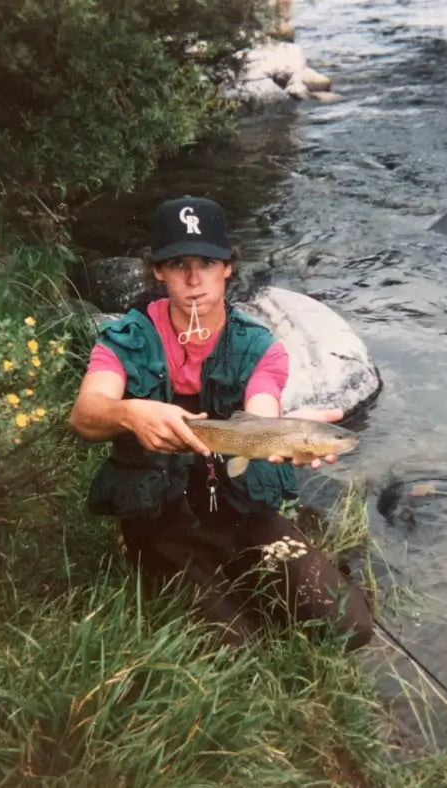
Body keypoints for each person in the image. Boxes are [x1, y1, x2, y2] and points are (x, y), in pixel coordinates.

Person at [69, 195, 373, 651]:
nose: (194, 280)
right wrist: (129, 412)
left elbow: (263, 409)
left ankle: (247, 568)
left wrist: (289, 432)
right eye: (179, 264)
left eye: (207, 263)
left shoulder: (260, 345)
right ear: (158, 271)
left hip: (237, 515)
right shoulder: (126, 339)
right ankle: (144, 555)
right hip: (163, 520)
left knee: (350, 626)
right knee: (236, 648)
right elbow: (86, 414)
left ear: (228, 267)